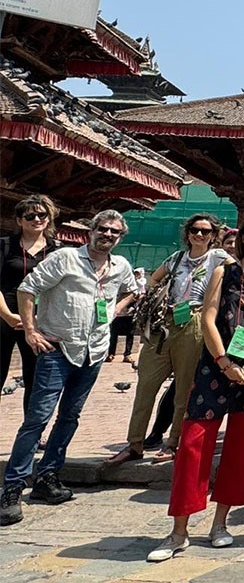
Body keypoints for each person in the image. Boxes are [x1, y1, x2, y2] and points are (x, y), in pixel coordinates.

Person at [145, 213, 244, 560]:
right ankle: (178, 531)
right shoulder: (225, 272)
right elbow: (209, 317)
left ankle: (220, 523)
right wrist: (224, 361)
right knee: (194, 444)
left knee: (242, 449)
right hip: (216, 364)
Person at [0, 210, 138, 527]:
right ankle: (13, 487)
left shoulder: (120, 266)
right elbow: (27, 288)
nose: (107, 234)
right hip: (58, 348)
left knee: (70, 416)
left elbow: (132, 289)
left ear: (120, 237)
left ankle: (48, 476)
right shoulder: (65, 258)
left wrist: (115, 310)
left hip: (94, 351)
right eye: (103, 229)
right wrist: (31, 330)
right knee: (37, 419)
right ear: (91, 231)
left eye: (114, 232)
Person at [108, 214, 231, 466]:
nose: (199, 235)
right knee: (146, 385)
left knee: (184, 388)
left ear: (213, 235)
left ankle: (173, 441)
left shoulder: (218, 258)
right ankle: (134, 444)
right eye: (195, 230)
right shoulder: (176, 258)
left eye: (206, 231)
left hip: (195, 320)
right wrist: (157, 297)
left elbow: (240, 275)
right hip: (165, 322)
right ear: (187, 232)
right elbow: (154, 279)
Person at [1, 195, 60, 414]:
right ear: (19, 220)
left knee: (36, 378)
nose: (37, 219)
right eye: (30, 216)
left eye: (42, 215)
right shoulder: (5, 245)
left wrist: (32, 323)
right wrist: (8, 316)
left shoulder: (58, 251)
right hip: (5, 315)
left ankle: (32, 428)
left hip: (40, 320)